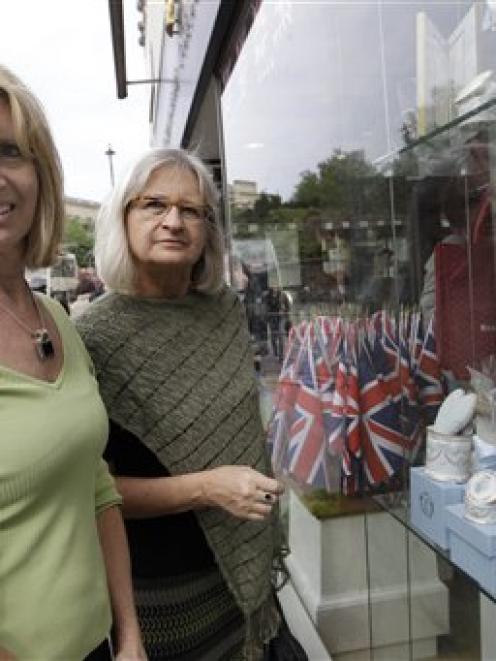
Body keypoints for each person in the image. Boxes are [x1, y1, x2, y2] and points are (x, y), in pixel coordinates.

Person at [76, 148, 285, 660]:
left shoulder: (225, 313)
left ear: (208, 230)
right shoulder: (90, 338)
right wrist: (207, 488)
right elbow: (90, 491)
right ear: (123, 217)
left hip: (243, 569)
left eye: (192, 210)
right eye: (154, 205)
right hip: (161, 586)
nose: (174, 221)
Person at [0, 65, 145, 661]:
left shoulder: (57, 320)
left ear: (41, 175)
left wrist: (129, 635)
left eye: (9, 151)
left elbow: (97, 487)